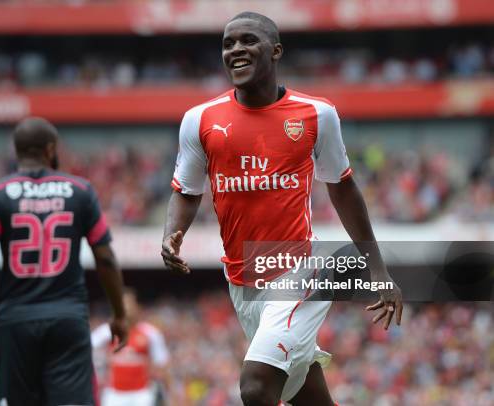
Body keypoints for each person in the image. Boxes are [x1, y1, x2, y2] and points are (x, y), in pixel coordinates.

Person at [161, 12, 403, 406]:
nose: (236, 49)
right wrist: (174, 233)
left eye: (247, 40)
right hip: (242, 278)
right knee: (308, 395)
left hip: (301, 270)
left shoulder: (316, 115)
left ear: (275, 52)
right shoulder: (199, 120)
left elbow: (343, 189)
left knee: (256, 387)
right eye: (227, 43)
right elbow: (186, 191)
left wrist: (378, 271)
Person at [0, 117, 128, 406]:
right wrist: (119, 314)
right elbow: (105, 258)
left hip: (14, 320)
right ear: (50, 149)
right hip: (67, 318)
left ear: (17, 152)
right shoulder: (80, 191)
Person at [91, 288, 170, 406]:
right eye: (122, 304)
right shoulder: (107, 331)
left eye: (129, 304)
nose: (126, 308)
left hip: (141, 394)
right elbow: (86, 346)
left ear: (138, 307)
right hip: (114, 394)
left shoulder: (151, 333)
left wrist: (168, 394)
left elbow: (162, 363)